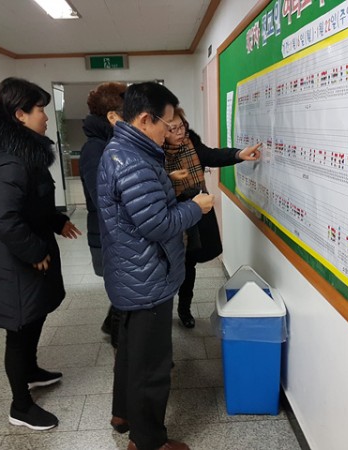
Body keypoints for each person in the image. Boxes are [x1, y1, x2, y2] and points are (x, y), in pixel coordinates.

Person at [97, 82, 214, 450]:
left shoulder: (127, 150)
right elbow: (158, 224)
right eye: (167, 124)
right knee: (151, 367)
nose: (171, 132)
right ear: (145, 119)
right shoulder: (133, 160)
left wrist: (166, 183)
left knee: (132, 352)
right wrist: (196, 207)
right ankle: (147, 442)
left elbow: (140, 208)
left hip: (133, 272)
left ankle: (123, 414)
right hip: (146, 276)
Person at [0, 77, 80, 431]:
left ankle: (31, 371)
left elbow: (32, 202)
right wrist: (33, 251)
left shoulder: (21, 154)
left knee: (33, 316)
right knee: (19, 329)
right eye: (40, 110)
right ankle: (20, 406)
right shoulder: (11, 161)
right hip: (13, 260)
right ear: (20, 115)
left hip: (24, 253)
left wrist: (57, 221)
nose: (45, 117)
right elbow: (2, 217)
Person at [163, 107, 261, 328]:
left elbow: (212, 155)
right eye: (172, 129)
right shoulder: (153, 152)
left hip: (194, 212)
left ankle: (184, 309)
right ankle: (160, 313)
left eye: (182, 126)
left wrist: (239, 154)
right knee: (166, 266)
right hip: (169, 214)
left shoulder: (191, 144)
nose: (180, 132)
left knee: (188, 264)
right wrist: (170, 179)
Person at [79, 82, 126, 348]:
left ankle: (111, 325)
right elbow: (103, 198)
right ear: (112, 116)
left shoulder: (110, 143)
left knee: (123, 289)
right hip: (108, 234)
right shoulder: (95, 149)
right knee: (123, 293)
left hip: (115, 232)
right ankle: (123, 350)